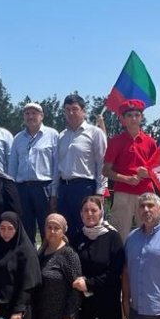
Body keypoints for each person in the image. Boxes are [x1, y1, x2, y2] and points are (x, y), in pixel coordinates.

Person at [102, 99, 159, 239]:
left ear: (142, 117)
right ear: (123, 119)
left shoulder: (150, 142)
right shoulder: (115, 142)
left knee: (150, 232)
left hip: (146, 192)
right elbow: (106, 170)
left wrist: (149, 173)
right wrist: (126, 179)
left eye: (137, 115)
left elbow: (159, 171)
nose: (133, 118)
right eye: (129, 115)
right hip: (123, 192)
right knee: (119, 233)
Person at [52, 94, 107, 236]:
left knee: (87, 230)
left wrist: (100, 192)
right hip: (64, 189)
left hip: (85, 188)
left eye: (75, 109)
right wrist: (54, 193)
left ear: (83, 111)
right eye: (67, 109)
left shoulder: (95, 133)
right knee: (66, 231)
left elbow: (102, 164)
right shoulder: (61, 136)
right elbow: (56, 167)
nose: (71, 113)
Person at [8, 101, 59, 244]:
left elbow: (56, 166)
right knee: (25, 229)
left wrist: (54, 193)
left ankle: (48, 256)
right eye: (27, 113)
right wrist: (12, 192)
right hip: (23, 188)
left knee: (47, 227)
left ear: (41, 116)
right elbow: (12, 167)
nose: (30, 116)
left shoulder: (52, 135)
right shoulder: (18, 138)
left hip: (44, 188)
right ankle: (29, 257)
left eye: (34, 113)